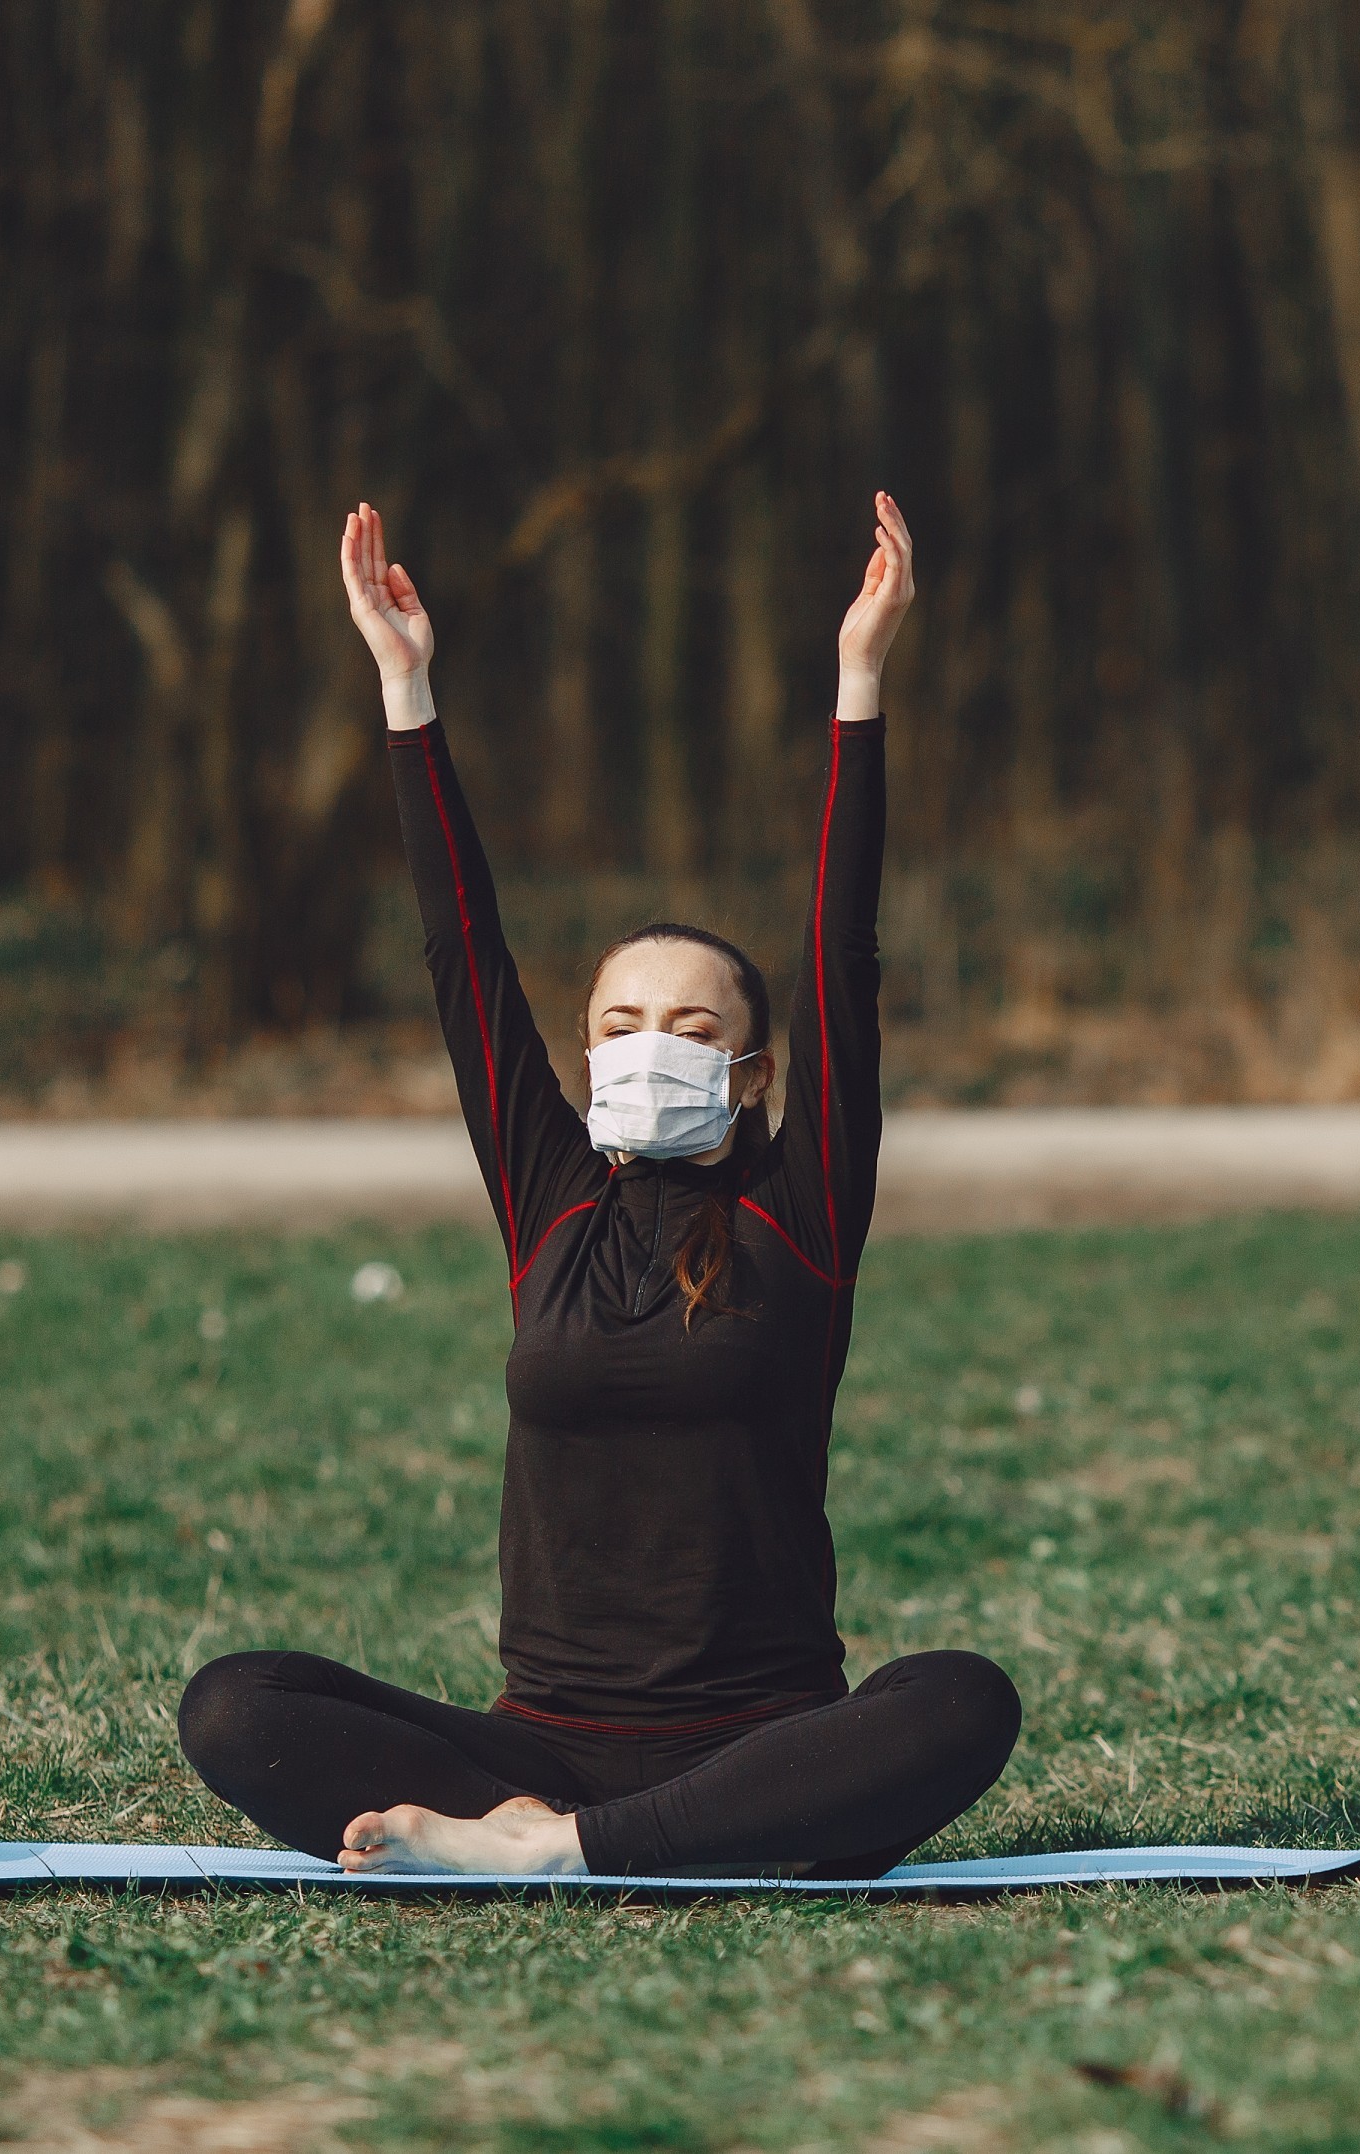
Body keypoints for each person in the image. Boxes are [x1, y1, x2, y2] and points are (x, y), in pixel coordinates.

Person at [175, 493, 1021, 1878]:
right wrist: (407, 690)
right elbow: (463, 957)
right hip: (531, 1749)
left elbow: (843, 961)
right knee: (235, 1702)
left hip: (764, 1737)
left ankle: (561, 1852)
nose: (649, 1050)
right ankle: (569, 1831)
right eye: (621, 1024)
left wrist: (861, 681)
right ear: (580, 1053)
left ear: (754, 1073)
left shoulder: (799, 1219)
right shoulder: (551, 1200)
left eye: (693, 1031)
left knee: (962, 1698)